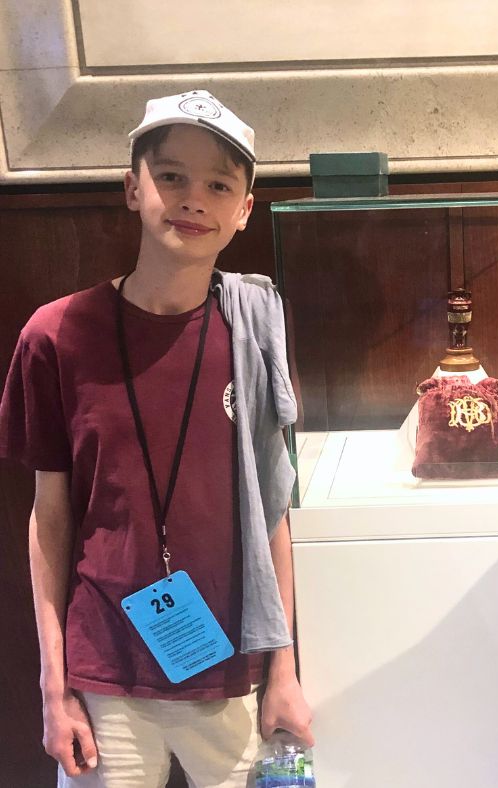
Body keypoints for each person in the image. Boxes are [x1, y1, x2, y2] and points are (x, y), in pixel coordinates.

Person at [0, 90, 313, 786]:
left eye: (218, 185)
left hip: (231, 668)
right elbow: (49, 520)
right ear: (132, 187)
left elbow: (273, 512)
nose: (191, 199)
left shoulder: (253, 333)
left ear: (243, 211)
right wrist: (55, 685)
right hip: (105, 670)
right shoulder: (55, 336)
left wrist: (284, 672)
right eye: (171, 175)